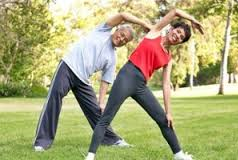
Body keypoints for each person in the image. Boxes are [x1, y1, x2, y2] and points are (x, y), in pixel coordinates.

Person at [85, 9, 204, 160]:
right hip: (127, 76)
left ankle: (179, 155)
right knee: (106, 117)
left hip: (141, 85)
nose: (177, 36)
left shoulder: (168, 58)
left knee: (163, 119)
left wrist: (169, 112)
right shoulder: (155, 32)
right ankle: (90, 156)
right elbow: (175, 12)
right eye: (178, 31)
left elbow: (166, 85)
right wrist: (192, 19)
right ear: (172, 29)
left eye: (181, 37)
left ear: (180, 42)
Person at [33, 12, 151, 151]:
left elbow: (105, 81)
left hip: (83, 80)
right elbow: (123, 15)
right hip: (68, 67)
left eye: (124, 41)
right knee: (54, 97)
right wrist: (144, 24)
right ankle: (42, 141)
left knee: (96, 110)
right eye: (122, 35)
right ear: (117, 29)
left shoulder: (112, 58)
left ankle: (112, 140)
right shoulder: (102, 30)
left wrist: (101, 102)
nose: (121, 39)